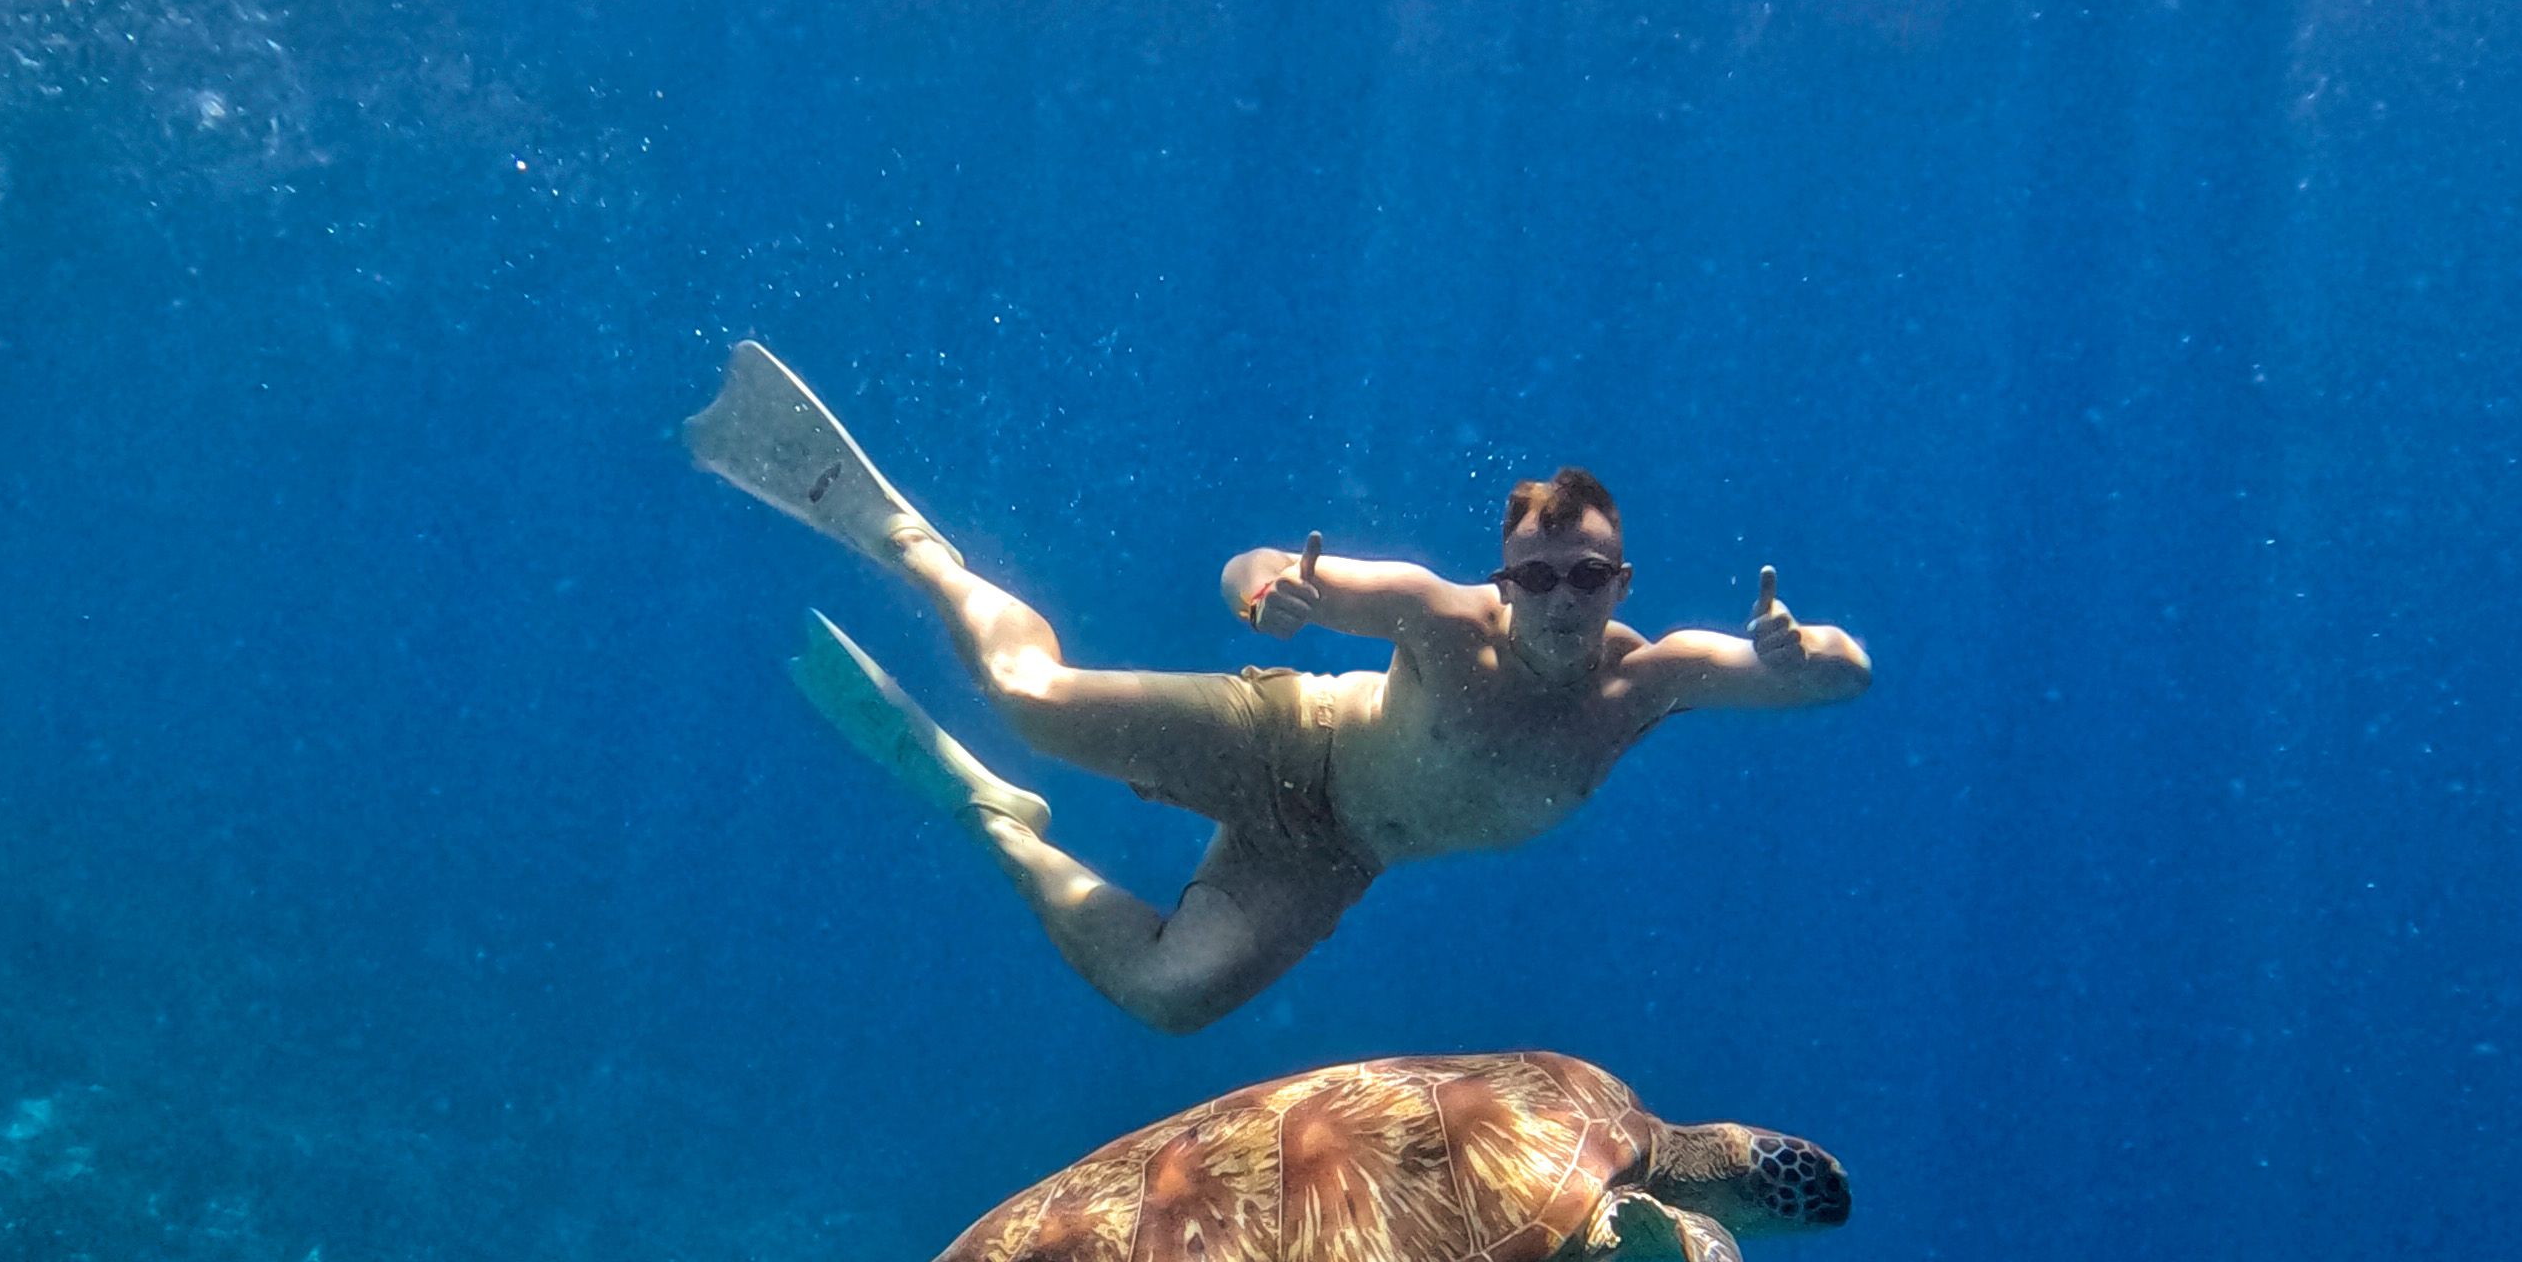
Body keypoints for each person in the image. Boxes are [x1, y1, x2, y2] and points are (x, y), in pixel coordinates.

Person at [687, 341, 1872, 1033]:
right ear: (1503, 580)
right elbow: (1250, 566)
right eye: (1538, 576)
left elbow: (1840, 680)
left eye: (1588, 576)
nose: (1563, 598)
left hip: (1332, 855)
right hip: (1283, 743)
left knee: (1170, 999)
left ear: (1623, 582)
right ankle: (914, 549)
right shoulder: (1440, 617)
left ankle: (992, 816)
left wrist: (1795, 646)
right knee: (1029, 698)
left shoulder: (1653, 680)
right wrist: (1271, 601)